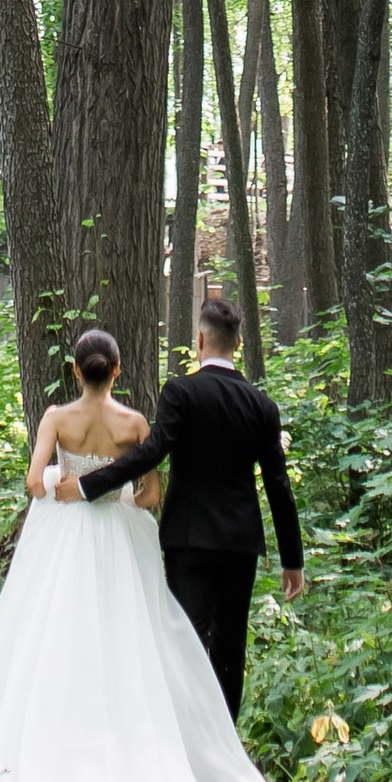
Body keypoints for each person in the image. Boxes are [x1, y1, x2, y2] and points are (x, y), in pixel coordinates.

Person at [0, 323, 291, 782]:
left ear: (74, 369)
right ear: (118, 370)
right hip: (119, 539)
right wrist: (112, 496)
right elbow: (150, 494)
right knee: (129, 640)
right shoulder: (135, 422)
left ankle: (55, 747)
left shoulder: (56, 418)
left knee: (58, 636)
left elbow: (31, 482)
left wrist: (63, 488)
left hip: (65, 535)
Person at [58, 290, 304, 719]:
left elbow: (148, 454)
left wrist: (85, 486)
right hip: (240, 543)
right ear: (238, 344)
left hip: (188, 539)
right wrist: (292, 560)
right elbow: (278, 484)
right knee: (230, 646)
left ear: (200, 341)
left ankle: (186, 738)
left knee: (186, 640)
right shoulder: (263, 406)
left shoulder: (181, 392)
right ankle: (223, 744)